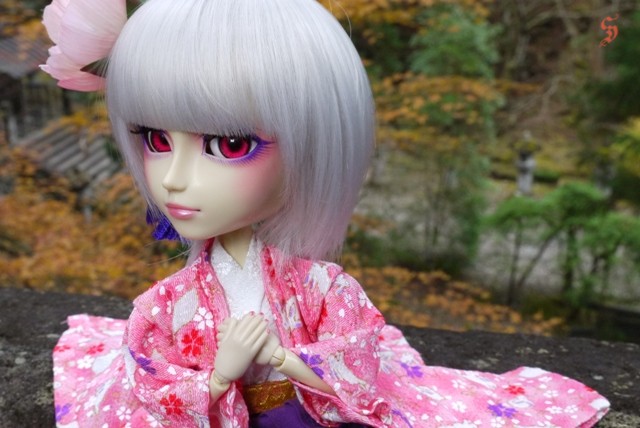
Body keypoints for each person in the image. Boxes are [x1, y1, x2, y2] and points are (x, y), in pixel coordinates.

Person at [43, 0, 609, 426]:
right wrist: (219, 377)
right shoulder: (165, 304)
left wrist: (280, 357)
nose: (174, 178)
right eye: (156, 140)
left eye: (229, 145)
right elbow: (156, 389)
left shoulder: (320, 286)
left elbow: (356, 367)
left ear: (312, 146)